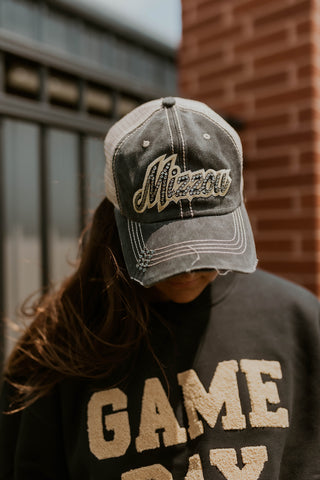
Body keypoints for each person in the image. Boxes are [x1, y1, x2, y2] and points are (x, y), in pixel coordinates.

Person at [0, 97, 319, 480]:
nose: (187, 270)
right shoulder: (56, 349)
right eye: (165, 243)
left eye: (205, 241)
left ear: (239, 206)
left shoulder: (300, 322)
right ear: (116, 222)